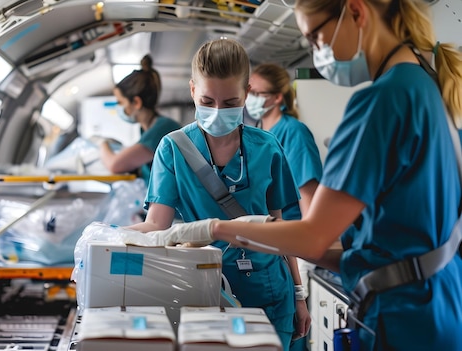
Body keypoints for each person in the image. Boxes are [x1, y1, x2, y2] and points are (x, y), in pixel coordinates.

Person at [140, 0, 462, 350]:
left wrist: (215, 229)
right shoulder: (424, 85)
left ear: (356, 12)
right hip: (437, 302)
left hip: (402, 315)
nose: (316, 51)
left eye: (315, 37)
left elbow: (312, 237)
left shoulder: (383, 102)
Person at [128, 38, 305, 351]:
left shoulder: (267, 147)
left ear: (246, 94)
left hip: (272, 294)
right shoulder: (173, 149)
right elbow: (156, 225)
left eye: (230, 102)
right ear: (193, 90)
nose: (218, 111)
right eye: (208, 102)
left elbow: (282, 229)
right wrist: (107, 239)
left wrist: (299, 295)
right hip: (205, 292)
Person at [247, 63, 323, 349]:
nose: (249, 97)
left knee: (294, 334)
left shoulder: (294, 132)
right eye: (248, 90)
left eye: (256, 92)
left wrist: (304, 261)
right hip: (270, 247)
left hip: (294, 248)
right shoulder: (255, 133)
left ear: (278, 97)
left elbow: (310, 203)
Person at [96, 54, 181, 183]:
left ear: (136, 102)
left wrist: (101, 143)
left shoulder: (163, 129)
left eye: (120, 102)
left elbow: (114, 165)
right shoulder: (146, 129)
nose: (118, 107)